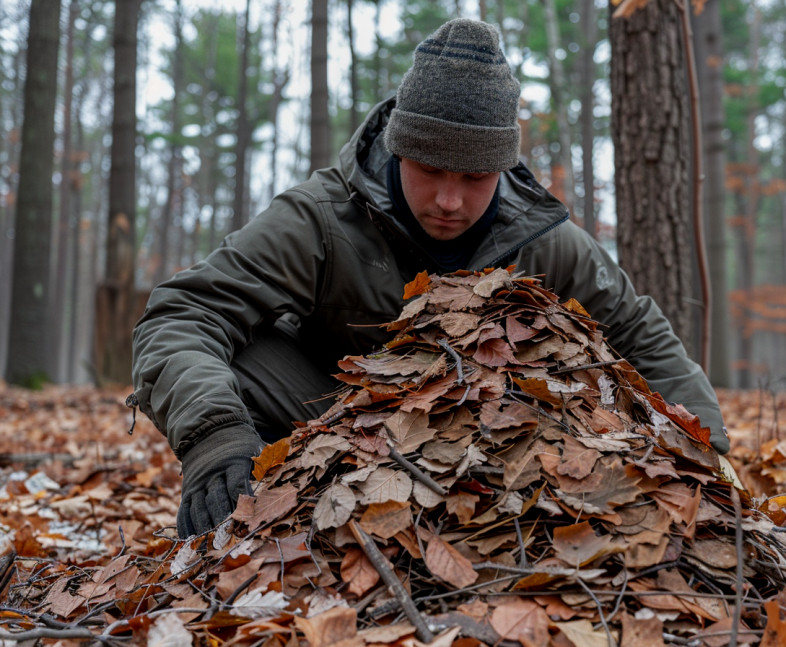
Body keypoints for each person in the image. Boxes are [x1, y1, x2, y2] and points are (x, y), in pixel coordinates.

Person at [131, 18, 730, 538]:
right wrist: (216, 438)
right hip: (327, 424)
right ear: (398, 150)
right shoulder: (319, 217)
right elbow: (184, 314)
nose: (449, 199)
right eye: (430, 169)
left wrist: (710, 460)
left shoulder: (545, 241)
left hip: (492, 452)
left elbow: (639, 334)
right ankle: (267, 513)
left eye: (474, 178)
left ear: (503, 165)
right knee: (240, 353)